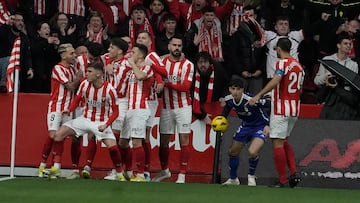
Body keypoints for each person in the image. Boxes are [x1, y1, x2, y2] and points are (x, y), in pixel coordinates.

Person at [43, 61, 126, 181]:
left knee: (113, 148)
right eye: (86, 71)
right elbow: (77, 99)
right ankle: (56, 167)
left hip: (100, 122)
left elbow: (116, 112)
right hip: (85, 119)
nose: (86, 74)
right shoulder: (84, 84)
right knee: (58, 135)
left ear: (98, 74)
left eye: (89, 71)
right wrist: (69, 110)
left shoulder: (109, 90)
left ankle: (119, 174)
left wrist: (106, 125)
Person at [248, 37, 304, 188]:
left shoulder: (281, 63)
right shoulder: (299, 66)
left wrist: (259, 94)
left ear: (279, 49)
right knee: (284, 140)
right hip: (294, 109)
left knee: (277, 143)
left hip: (281, 108)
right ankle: (294, 172)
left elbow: (276, 80)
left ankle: (283, 180)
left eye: (276, 50)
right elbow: (299, 88)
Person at [152, 34, 194, 184]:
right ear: (169, 46)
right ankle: (165, 171)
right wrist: (158, 81)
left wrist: (166, 84)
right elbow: (155, 70)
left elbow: (185, 87)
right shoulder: (162, 62)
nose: (176, 48)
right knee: (163, 141)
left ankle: (182, 174)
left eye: (179, 46)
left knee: (184, 139)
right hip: (166, 107)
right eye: (174, 45)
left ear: (182, 48)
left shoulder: (188, 64)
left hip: (183, 107)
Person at [37, 43, 82, 178]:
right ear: (63, 55)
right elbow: (70, 86)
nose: (74, 56)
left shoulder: (73, 69)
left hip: (67, 110)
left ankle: (55, 167)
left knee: (60, 137)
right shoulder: (58, 68)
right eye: (71, 53)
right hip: (56, 107)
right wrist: (79, 77)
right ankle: (43, 165)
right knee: (53, 135)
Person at [220, 78, 269, 186]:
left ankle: (251, 176)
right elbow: (224, 114)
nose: (235, 92)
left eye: (238, 89)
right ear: (229, 89)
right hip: (245, 126)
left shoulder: (250, 99)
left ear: (242, 90)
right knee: (232, 152)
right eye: (233, 89)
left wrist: (268, 124)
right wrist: (220, 122)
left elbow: (269, 104)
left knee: (252, 152)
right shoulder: (228, 100)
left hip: (260, 126)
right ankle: (233, 179)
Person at [136, 30, 167, 181]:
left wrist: (159, 81)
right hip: (134, 100)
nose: (141, 40)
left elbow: (163, 70)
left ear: (150, 42)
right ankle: (136, 169)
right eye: (139, 38)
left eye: (144, 38)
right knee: (135, 136)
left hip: (149, 100)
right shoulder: (134, 55)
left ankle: (146, 171)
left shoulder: (151, 56)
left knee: (144, 136)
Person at [121, 43, 154, 182]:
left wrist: (132, 64)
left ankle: (140, 174)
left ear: (140, 55)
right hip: (130, 108)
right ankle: (127, 172)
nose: (130, 54)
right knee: (123, 142)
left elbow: (140, 76)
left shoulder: (147, 67)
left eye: (133, 52)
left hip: (140, 108)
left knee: (136, 141)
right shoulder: (131, 70)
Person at [314, 33, 359, 120]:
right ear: (338, 45)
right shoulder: (327, 60)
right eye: (345, 43)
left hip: (345, 101)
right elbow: (316, 81)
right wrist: (327, 78)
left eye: (350, 44)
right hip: (328, 97)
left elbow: (353, 86)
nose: (348, 46)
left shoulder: (354, 65)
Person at [228, 6, 266, 94]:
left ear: (255, 16)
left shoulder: (262, 35)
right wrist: (241, 71)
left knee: (255, 103)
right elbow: (233, 55)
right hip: (239, 76)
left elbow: (265, 55)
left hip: (257, 76)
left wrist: (260, 70)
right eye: (246, 16)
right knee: (236, 103)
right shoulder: (236, 35)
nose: (248, 18)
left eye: (251, 15)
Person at [191, 51, 229, 124]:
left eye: (205, 62)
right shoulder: (192, 72)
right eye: (200, 62)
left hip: (215, 106)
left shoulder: (218, 69)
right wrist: (202, 115)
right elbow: (191, 96)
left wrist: (224, 96)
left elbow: (227, 84)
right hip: (198, 108)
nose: (203, 65)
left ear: (210, 63)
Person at [0, 12, 34, 93]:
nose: (21, 23)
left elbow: (27, 55)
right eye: (18, 20)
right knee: (9, 59)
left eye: (22, 21)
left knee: (16, 68)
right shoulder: (6, 31)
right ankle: (3, 84)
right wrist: (6, 24)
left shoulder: (24, 37)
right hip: (2, 64)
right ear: (13, 22)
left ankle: (14, 93)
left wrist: (29, 68)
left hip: (16, 68)